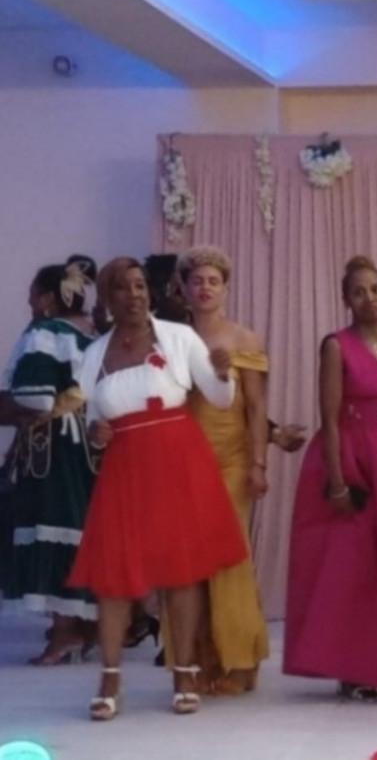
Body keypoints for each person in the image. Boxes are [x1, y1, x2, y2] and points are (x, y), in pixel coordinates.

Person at [68, 257, 248, 720]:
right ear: (108, 298)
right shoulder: (92, 354)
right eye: (124, 288)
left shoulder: (180, 337)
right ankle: (110, 676)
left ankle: (184, 671)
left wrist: (224, 373)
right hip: (124, 470)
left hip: (177, 460)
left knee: (180, 571)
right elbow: (92, 418)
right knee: (112, 577)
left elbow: (218, 397)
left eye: (141, 286)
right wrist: (96, 433)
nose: (136, 295)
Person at [284, 256, 377, 702]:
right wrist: (338, 480)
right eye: (359, 292)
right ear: (346, 300)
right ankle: (354, 667)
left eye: (376, 290)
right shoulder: (336, 346)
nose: (370, 299)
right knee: (353, 569)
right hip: (352, 456)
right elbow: (328, 416)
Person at [173, 246, 270, 694]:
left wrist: (258, 463)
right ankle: (198, 659)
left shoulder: (243, 339)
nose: (205, 288)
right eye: (197, 281)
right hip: (184, 462)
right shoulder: (172, 338)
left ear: (225, 288)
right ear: (184, 289)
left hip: (232, 460)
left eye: (213, 281)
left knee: (229, 557)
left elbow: (255, 407)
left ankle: (239, 661)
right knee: (189, 560)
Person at [3, 261, 99, 664]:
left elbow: (39, 397)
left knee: (54, 526)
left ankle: (64, 632)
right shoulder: (88, 336)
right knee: (74, 526)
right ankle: (79, 625)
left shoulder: (42, 333)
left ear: (45, 299)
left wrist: (11, 407)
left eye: (31, 293)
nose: (28, 301)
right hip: (82, 443)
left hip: (52, 446)